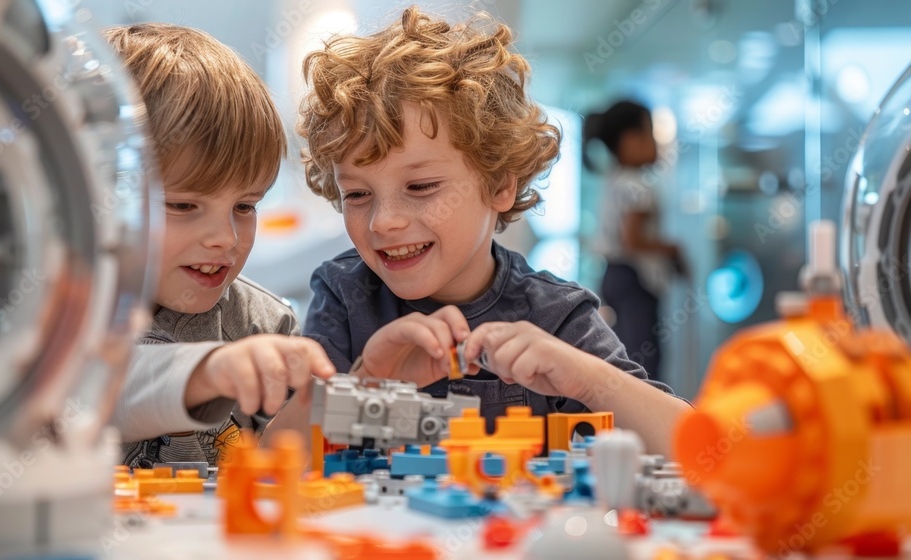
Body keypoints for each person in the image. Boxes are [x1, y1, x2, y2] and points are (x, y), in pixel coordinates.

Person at [297, 7, 690, 456]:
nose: (383, 221)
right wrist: (362, 385)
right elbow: (271, 460)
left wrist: (589, 378)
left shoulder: (556, 316)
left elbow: (702, 450)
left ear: (500, 183)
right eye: (358, 195)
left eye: (421, 186)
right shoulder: (346, 295)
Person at [103, 24, 335, 468]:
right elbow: (99, 388)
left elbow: (289, 467)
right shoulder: (57, 318)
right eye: (185, 204)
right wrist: (210, 370)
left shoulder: (265, 325)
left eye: (245, 206)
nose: (225, 238)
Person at [584, 100, 687, 383]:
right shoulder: (638, 184)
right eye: (650, 134)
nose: (655, 144)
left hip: (613, 275)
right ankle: (647, 421)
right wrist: (673, 249)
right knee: (645, 362)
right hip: (634, 279)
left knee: (624, 353)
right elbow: (632, 239)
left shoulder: (613, 180)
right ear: (630, 140)